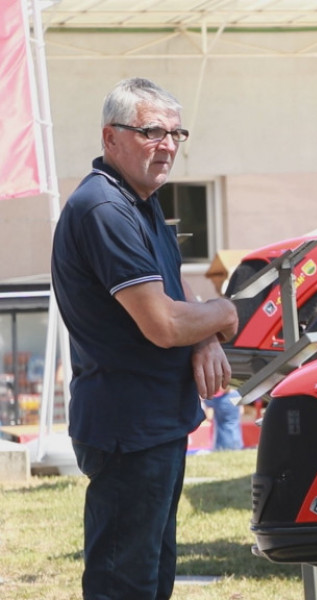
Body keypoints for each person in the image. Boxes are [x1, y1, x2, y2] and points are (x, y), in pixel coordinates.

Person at [51, 77, 238, 600]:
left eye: (177, 134)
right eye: (152, 131)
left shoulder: (142, 200)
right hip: (128, 429)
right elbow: (163, 323)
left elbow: (171, 295)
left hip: (156, 423)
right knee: (124, 585)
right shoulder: (106, 209)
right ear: (110, 138)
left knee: (153, 578)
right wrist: (222, 312)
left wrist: (204, 337)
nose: (168, 146)